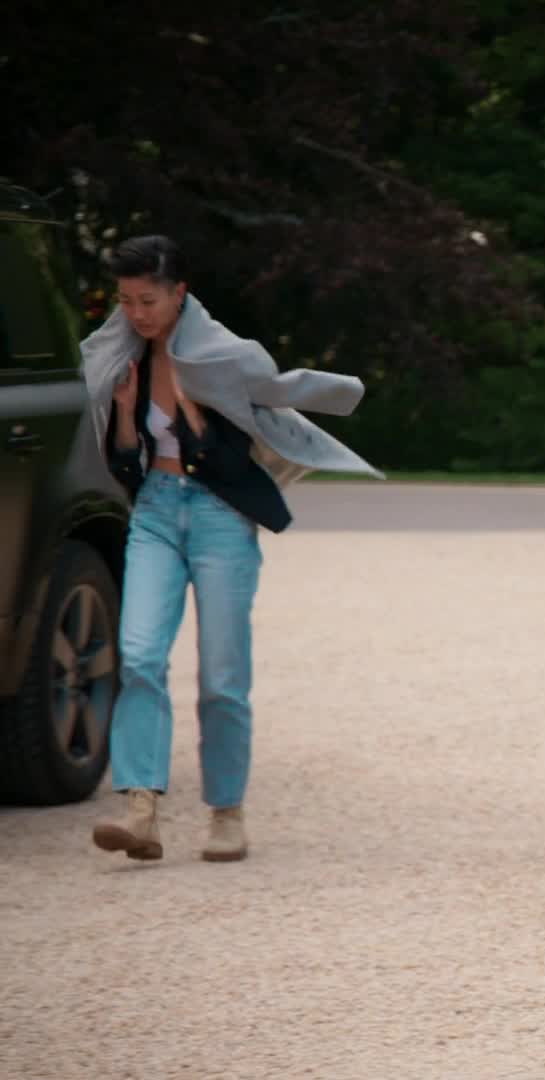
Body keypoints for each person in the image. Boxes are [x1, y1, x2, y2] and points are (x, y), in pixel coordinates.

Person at [83, 235, 380, 863]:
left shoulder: (226, 358)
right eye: (126, 301)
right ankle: (141, 810)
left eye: (148, 301)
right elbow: (126, 468)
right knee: (138, 656)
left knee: (222, 676)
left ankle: (226, 812)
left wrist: (197, 425)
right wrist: (128, 415)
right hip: (154, 514)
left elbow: (238, 457)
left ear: (179, 294)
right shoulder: (122, 360)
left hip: (220, 517)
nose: (136, 314)